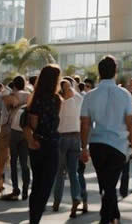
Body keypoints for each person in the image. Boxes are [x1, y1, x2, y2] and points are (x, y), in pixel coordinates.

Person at [80, 56, 132, 224]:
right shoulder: (125, 94)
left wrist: (83, 147)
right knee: (110, 185)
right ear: (115, 71)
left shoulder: (90, 96)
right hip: (118, 146)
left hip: (97, 145)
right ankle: (106, 218)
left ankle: (114, 216)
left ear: (99, 72)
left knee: (106, 184)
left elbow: (85, 124)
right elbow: (130, 123)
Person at [26, 64, 62, 224]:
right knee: (46, 185)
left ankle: (34, 218)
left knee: (37, 184)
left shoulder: (35, 98)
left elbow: (33, 123)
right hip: (51, 144)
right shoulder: (56, 100)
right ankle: (35, 218)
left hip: (37, 144)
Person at [52, 78, 86, 217]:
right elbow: (84, 119)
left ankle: (56, 201)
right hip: (76, 137)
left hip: (62, 137)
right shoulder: (79, 98)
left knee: (59, 172)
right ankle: (76, 197)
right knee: (74, 172)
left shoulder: (59, 100)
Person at [3, 75, 32, 200]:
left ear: (14, 85)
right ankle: (26, 190)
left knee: (13, 162)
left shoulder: (12, 95)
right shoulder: (30, 95)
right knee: (24, 163)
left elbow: (7, 107)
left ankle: (16, 189)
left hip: (14, 131)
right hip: (26, 131)